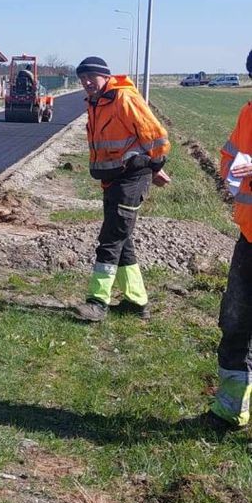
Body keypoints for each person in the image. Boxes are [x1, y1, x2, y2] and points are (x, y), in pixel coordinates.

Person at [74, 56, 171, 322]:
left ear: (105, 76)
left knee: (111, 239)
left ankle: (97, 302)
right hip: (114, 179)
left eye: (91, 76)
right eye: (82, 78)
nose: (86, 82)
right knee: (123, 240)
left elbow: (157, 135)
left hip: (132, 178)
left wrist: (154, 166)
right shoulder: (96, 102)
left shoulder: (122, 98)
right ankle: (137, 302)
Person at [207, 49, 252, 429]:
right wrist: (232, 171)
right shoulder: (249, 113)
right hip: (250, 236)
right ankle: (230, 409)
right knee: (236, 320)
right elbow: (230, 153)